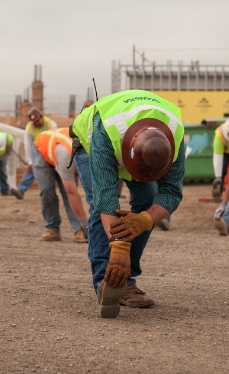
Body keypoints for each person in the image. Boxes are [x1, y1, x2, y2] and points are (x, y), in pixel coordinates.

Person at [71, 89, 186, 318]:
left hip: (132, 143)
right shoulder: (106, 132)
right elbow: (106, 199)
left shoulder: (177, 137)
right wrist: (120, 246)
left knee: (148, 201)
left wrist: (144, 220)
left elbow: (172, 191)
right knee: (99, 206)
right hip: (89, 142)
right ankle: (108, 282)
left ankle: (125, 277)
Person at [32, 128, 88, 242]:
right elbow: (71, 192)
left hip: (61, 148)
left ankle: (78, 230)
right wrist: (85, 223)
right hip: (42, 150)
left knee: (69, 192)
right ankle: (53, 228)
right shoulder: (67, 156)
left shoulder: (90, 150)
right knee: (48, 190)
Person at [17, 109, 57, 195]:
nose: (37, 123)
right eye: (34, 122)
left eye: (38, 120)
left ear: (42, 117)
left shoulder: (52, 125)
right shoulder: (29, 127)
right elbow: (27, 145)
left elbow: (54, 143)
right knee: (32, 167)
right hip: (38, 152)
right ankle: (20, 189)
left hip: (51, 152)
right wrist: (30, 161)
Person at [0, 131, 23, 199]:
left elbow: (8, 152)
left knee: (3, 170)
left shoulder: (9, 139)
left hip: (3, 154)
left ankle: (5, 190)